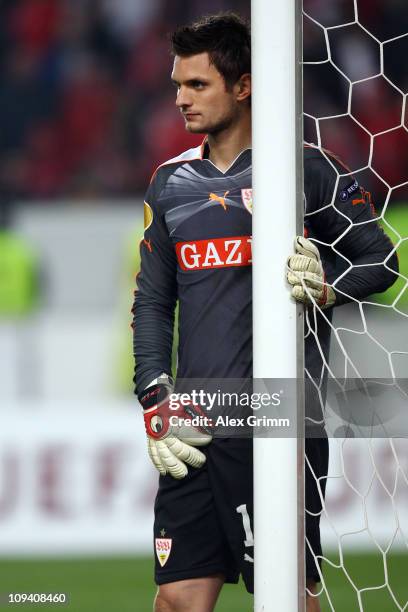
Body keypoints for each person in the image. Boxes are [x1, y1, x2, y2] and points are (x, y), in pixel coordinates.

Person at [132, 13, 398, 612]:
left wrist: (326, 286)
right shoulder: (169, 183)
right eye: (177, 84)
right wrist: (154, 395)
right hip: (196, 419)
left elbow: (381, 262)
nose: (180, 99)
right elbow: (151, 301)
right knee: (176, 598)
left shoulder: (303, 167)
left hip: (279, 419)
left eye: (197, 85)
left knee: (286, 597)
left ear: (244, 86)